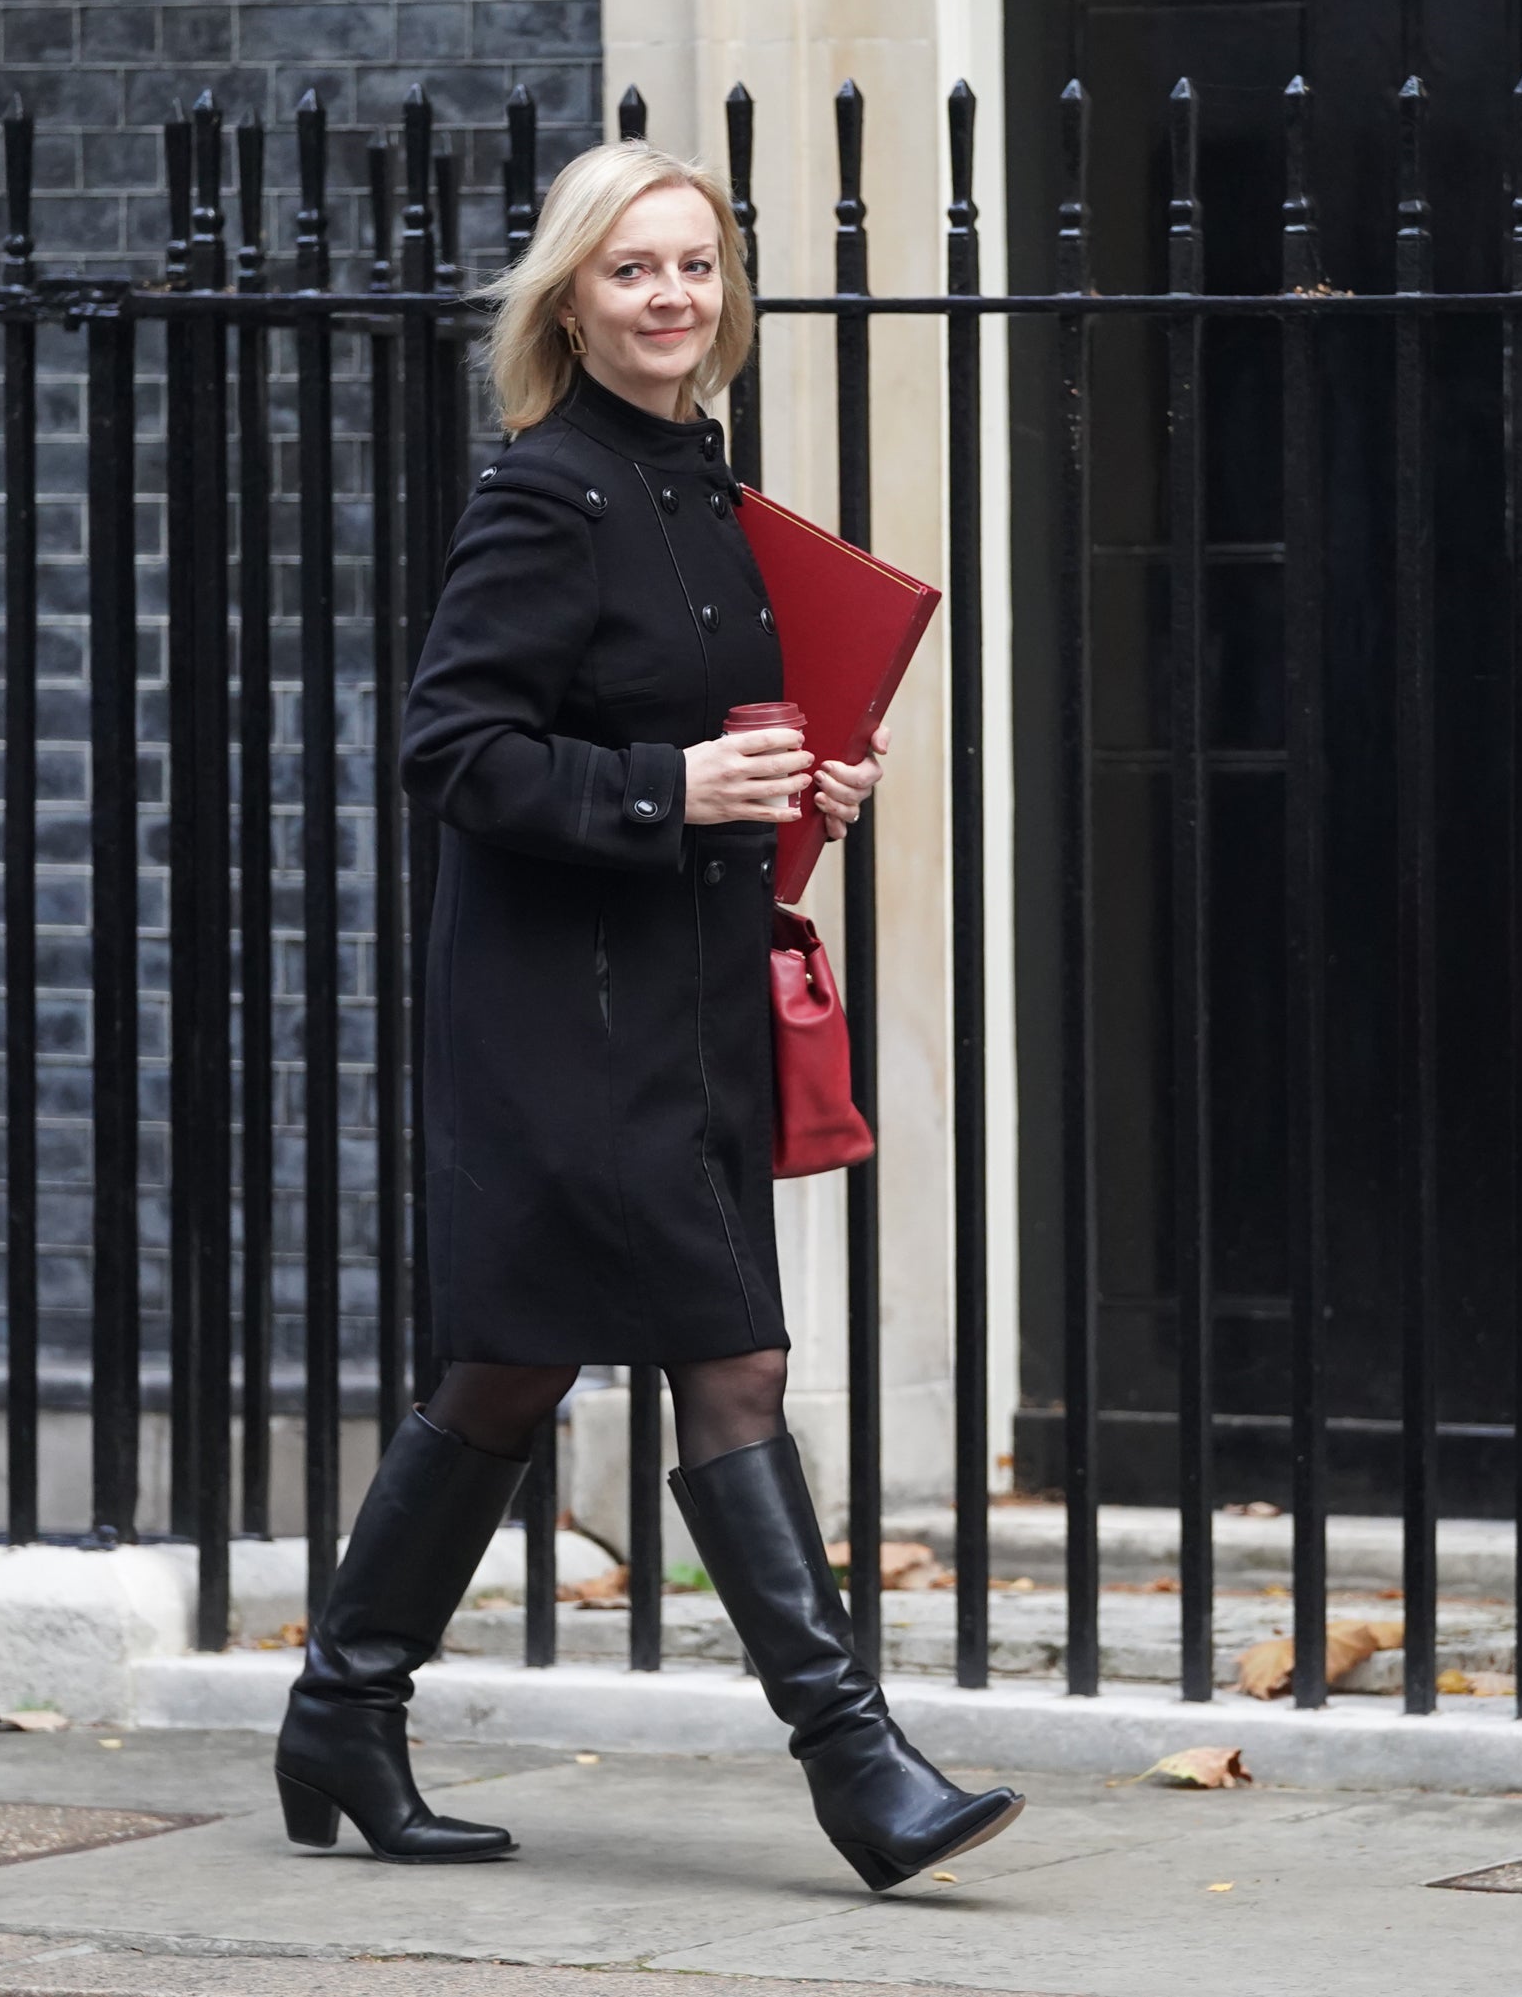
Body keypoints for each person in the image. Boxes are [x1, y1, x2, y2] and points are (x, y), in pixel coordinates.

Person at [271, 139, 1024, 1893]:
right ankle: (860, 1767)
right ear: (571, 300)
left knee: (511, 1367)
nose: (671, 297)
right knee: (728, 1360)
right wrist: (668, 787)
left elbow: (701, 744)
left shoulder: (703, 492)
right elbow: (452, 752)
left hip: (674, 1009)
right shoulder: (548, 490)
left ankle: (341, 1706)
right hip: (558, 1022)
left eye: (695, 267)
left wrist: (790, 793)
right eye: (631, 271)